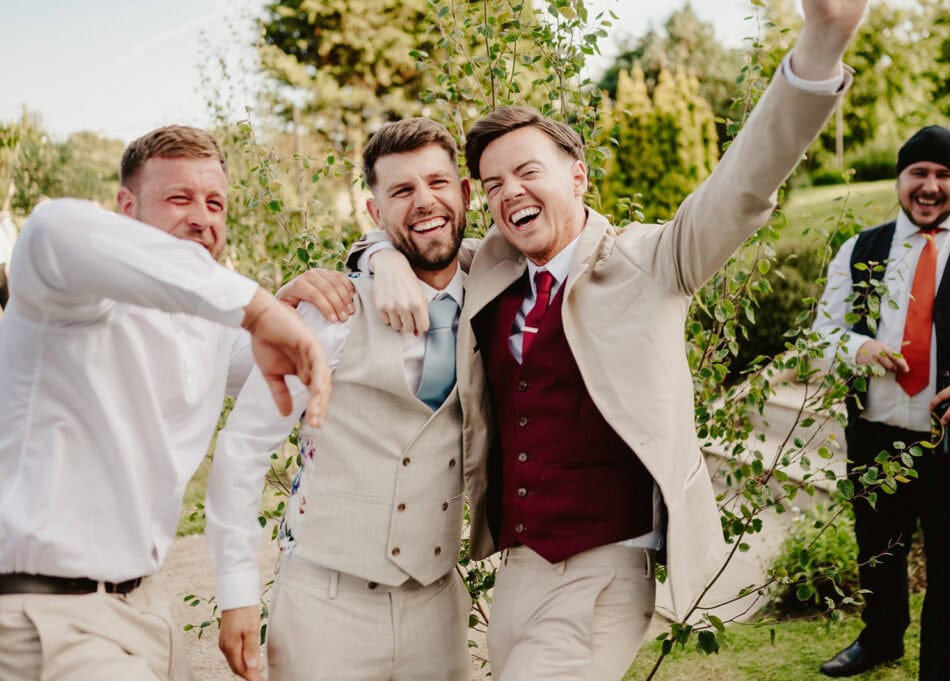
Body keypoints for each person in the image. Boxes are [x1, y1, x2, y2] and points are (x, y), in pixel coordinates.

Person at [349, 2, 866, 678]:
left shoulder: (653, 259)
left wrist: (823, 42)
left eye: (529, 171)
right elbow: (419, 234)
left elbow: (744, 184)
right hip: (518, 569)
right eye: (494, 183)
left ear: (578, 175)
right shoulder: (492, 267)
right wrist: (375, 257)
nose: (511, 193)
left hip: (607, 567)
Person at [0, 125, 335, 681]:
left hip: (149, 611)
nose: (203, 217)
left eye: (215, 203)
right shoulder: (72, 297)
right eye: (179, 198)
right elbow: (51, 227)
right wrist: (255, 308)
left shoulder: (211, 325)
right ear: (126, 208)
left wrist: (352, 276)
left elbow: (316, 362)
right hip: (49, 616)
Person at [208, 118, 473, 681]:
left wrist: (377, 253)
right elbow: (244, 447)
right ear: (376, 214)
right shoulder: (330, 311)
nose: (425, 201)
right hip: (326, 608)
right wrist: (237, 593)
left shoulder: (494, 288)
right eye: (401, 191)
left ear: (465, 192)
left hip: (438, 605)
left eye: (438, 183)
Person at [812, 125, 950, 680]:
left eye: (944, 175)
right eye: (919, 173)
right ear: (900, 178)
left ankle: (944, 671)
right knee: (877, 553)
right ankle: (881, 639)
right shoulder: (860, 248)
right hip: (878, 435)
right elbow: (823, 332)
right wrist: (859, 347)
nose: (930, 187)